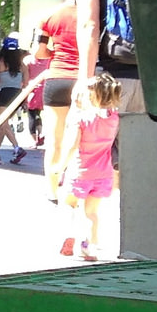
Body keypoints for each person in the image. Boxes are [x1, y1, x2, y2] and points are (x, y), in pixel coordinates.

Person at [54, 71, 123, 260]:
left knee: (69, 204)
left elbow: (72, 145)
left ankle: (70, 236)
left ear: (91, 95)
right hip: (103, 173)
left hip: (80, 171)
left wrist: (60, 166)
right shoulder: (113, 119)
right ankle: (90, 245)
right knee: (92, 213)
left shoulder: (81, 119)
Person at [32, 0, 79, 200]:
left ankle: (52, 190)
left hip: (57, 76)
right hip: (83, 80)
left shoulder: (48, 16)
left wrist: (56, 53)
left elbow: (38, 52)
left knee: (54, 140)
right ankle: (75, 189)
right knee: (81, 140)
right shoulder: (92, 14)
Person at [0, 36, 26, 164]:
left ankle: (17, 147)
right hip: (17, 94)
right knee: (4, 124)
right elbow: (26, 79)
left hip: (5, 92)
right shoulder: (21, 62)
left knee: (3, 123)